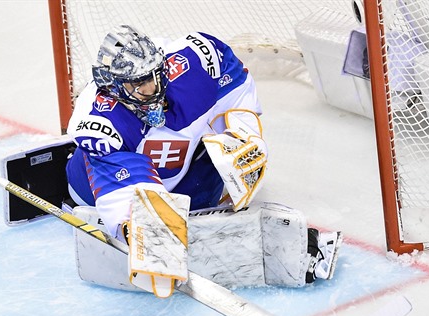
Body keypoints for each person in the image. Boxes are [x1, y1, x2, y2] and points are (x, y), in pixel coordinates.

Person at [64, 25, 341, 296]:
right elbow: (123, 180)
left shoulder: (199, 61)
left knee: (208, 173)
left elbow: (236, 88)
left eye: (154, 75)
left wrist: (242, 133)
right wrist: (138, 228)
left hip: (184, 176)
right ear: (114, 88)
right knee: (144, 216)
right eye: (139, 84)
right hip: (95, 188)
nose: (153, 87)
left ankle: (188, 208)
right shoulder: (99, 121)